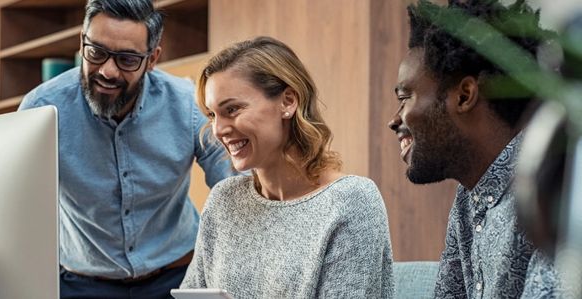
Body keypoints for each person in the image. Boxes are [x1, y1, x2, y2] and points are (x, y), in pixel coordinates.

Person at [18, 0, 233, 298]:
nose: (107, 71)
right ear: (82, 41)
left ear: (152, 58)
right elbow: (16, 205)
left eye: (127, 60)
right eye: (96, 53)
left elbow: (234, 187)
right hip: (81, 284)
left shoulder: (187, 105)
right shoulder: (40, 109)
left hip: (177, 277)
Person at [179, 36, 394, 298]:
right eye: (212, 115)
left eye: (232, 109)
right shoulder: (224, 200)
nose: (219, 130)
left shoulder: (351, 201)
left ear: (288, 101)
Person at [387, 0, 565, 298]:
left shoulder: (550, 184)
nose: (394, 120)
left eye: (406, 97)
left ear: (465, 95)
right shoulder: (469, 200)